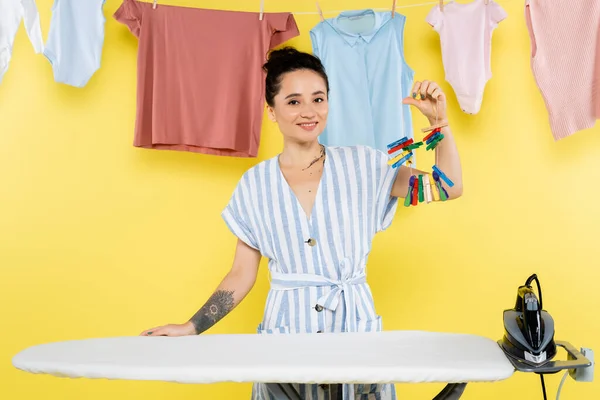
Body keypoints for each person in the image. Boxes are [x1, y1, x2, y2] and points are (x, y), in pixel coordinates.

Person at [139, 47, 463, 399]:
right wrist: (192, 327)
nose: (308, 111)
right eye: (293, 102)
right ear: (272, 111)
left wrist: (439, 123)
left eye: (318, 99)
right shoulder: (254, 184)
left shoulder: (366, 167)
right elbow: (241, 273)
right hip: (285, 341)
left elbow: (446, 187)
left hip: (356, 334)